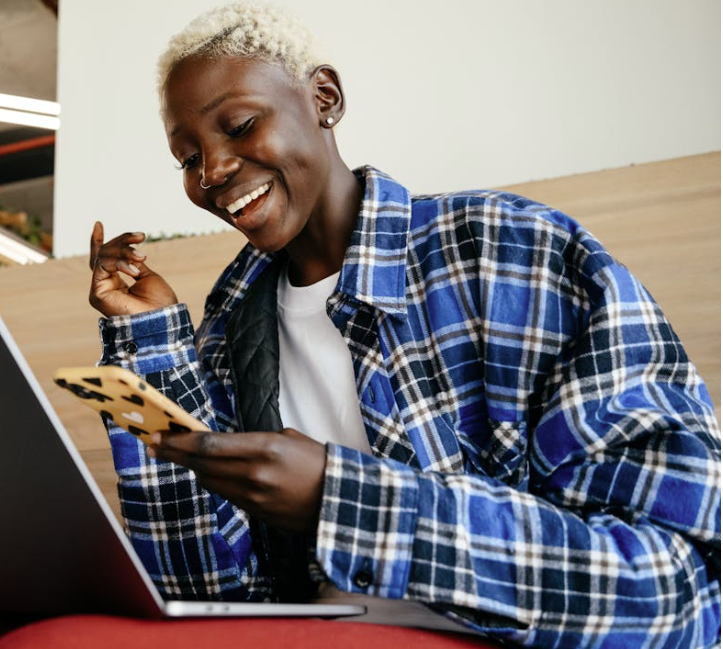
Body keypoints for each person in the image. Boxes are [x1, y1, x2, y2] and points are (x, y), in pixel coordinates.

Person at [86, 3, 721, 647]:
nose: (213, 171)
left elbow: (672, 589)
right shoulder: (231, 317)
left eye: (241, 125)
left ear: (324, 97)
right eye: (189, 158)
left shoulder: (514, 252)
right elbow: (204, 594)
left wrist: (344, 500)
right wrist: (152, 344)